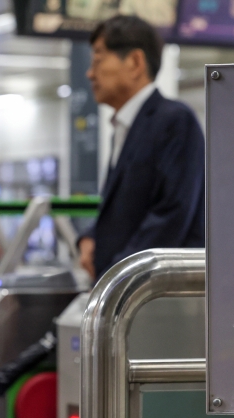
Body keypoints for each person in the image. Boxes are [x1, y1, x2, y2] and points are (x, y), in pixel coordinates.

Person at [78, 15, 205, 280]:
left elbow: (171, 213)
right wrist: (90, 237)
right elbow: (124, 210)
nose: (90, 73)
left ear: (135, 62)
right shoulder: (124, 128)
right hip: (130, 292)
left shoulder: (174, 121)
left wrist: (119, 274)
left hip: (159, 294)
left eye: (98, 60)